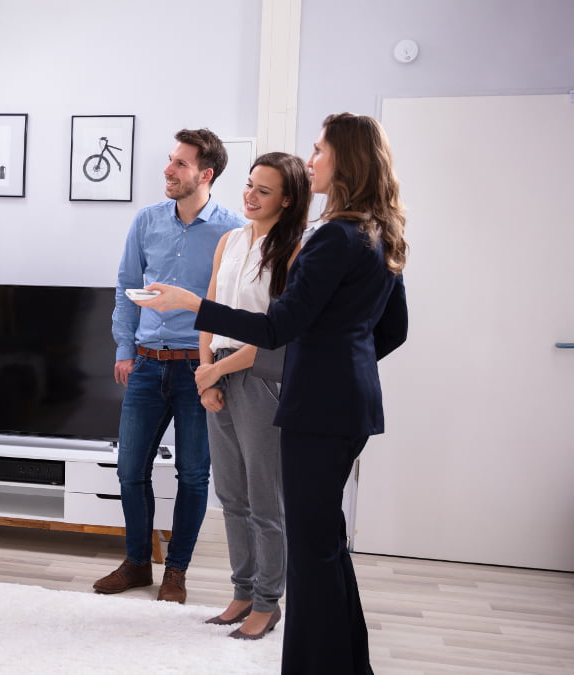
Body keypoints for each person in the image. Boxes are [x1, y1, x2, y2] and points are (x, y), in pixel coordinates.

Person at [133, 113, 408, 673]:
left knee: (311, 552)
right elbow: (392, 331)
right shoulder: (379, 230)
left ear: (346, 160)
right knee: (326, 547)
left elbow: (278, 327)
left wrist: (190, 305)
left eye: (319, 150)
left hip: (318, 410)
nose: (312, 160)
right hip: (348, 406)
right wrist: (340, 363)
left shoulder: (332, 235)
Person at [95, 129, 246, 602]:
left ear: (206, 174)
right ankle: (138, 562)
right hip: (145, 364)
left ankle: (175, 572)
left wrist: (215, 369)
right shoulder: (146, 221)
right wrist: (124, 348)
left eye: (180, 163)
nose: (168, 169)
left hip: (198, 368)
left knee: (195, 474)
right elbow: (125, 286)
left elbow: (234, 305)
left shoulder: (234, 231)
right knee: (129, 470)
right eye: (170, 160)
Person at [194, 152, 310, 640]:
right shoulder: (230, 240)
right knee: (231, 497)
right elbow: (211, 309)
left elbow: (274, 333)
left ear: (287, 199)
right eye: (249, 185)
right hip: (216, 373)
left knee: (266, 500)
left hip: (260, 377)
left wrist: (217, 369)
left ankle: (268, 602)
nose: (250, 196)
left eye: (264, 190)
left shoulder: (295, 250)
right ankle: (241, 593)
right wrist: (205, 373)